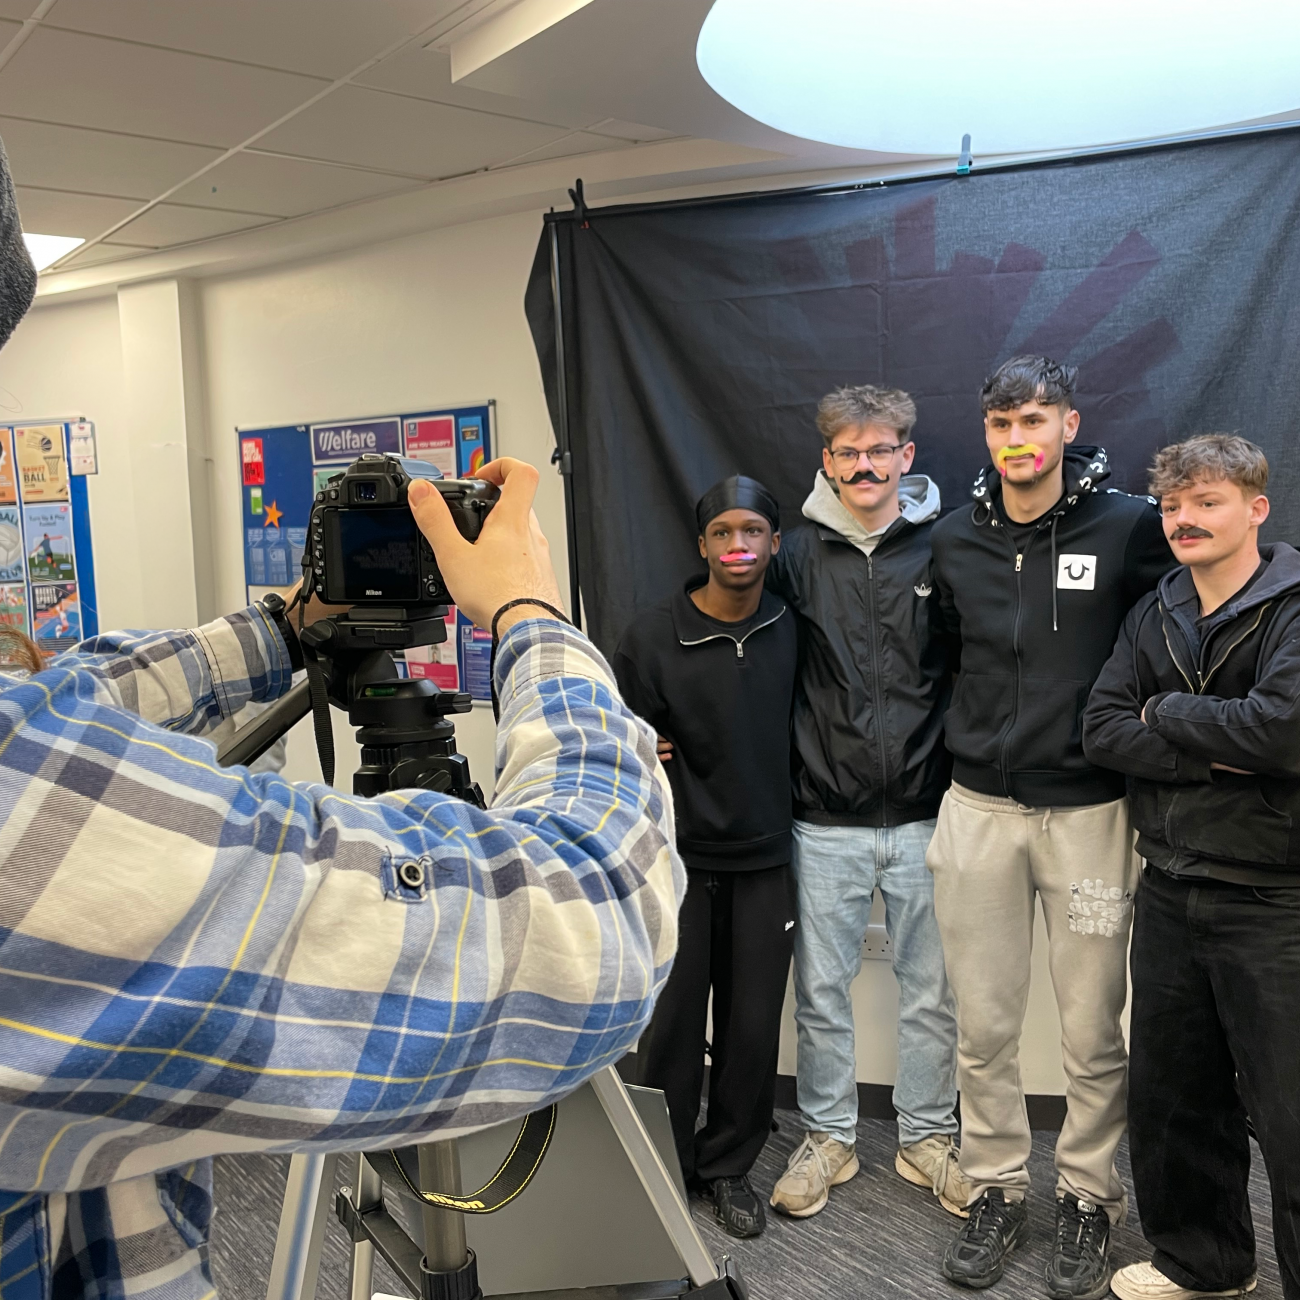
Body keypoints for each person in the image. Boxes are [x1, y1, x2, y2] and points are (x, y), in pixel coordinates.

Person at [927, 355, 1173, 1298]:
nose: (1017, 439)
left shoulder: (1130, 527)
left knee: (1093, 1027)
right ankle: (995, 1188)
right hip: (978, 813)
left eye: (1035, 419)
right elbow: (943, 656)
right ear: (986, 433)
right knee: (984, 1025)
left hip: (1092, 816)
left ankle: (1086, 1196)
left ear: (1069, 425)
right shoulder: (954, 538)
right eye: (1002, 423)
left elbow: (1172, 637)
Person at [1083, 435, 1300, 1300]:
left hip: (1274, 898)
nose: (1184, 520)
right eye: (1173, 506)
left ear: (1256, 509)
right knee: (1174, 1098)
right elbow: (1102, 728)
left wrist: (1165, 710)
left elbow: (1281, 730)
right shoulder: (1156, 608)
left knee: (1291, 1115)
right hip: (1170, 887)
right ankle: (1205, 1264)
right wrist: (1216, 751)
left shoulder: (1293, 605)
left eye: (1206, 502)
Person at [764, 385, 965, 1222]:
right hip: (826, 816)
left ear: (905, 457)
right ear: (828, 461)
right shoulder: (794, 556)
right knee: (820, 992)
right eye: (848, 452)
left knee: (932, 991)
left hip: (928, 810)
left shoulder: (945, 547)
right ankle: (829, 1139)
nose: (865, 465)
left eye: (880, 450)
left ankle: (927, 1139)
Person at [613, 475, 797, 1239]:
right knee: (673, 1024)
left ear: (774, 543)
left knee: (752, 1029)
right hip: (675, 861)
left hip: (765, 860)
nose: (737, 545)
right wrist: (636, 742)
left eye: (752, 531)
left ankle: (726, 1167)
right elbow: (615, 737)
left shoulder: (792, 628)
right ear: (701, 545)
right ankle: (662, 1167)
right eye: (722, 532)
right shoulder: (651, 636)